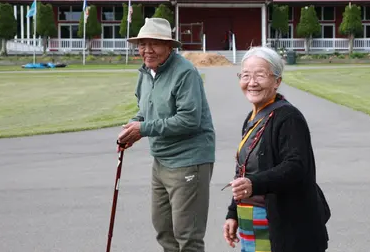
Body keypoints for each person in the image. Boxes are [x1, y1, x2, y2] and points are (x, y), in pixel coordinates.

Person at [117, 17, 215, 252]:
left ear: (169, 46)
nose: (147, 50)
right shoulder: (146, 73)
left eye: (155, 43)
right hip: (161, 161)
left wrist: (144, 129)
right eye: (142, 44)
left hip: (189, 161)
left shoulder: (185, 73)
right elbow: (146, 110)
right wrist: (133, 126)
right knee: (164, 230)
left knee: (187, 236)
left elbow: (189, 120)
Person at [222, 46, 330, 252]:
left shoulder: (289, 118)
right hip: (250, 220)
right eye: (245, 75)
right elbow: (244, 170)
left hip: (283, 224)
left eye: (260, 75)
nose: (251, 83)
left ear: (277, 81)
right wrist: (233, 213)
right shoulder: (252, 117)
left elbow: (296, 166)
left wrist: (254, 183)